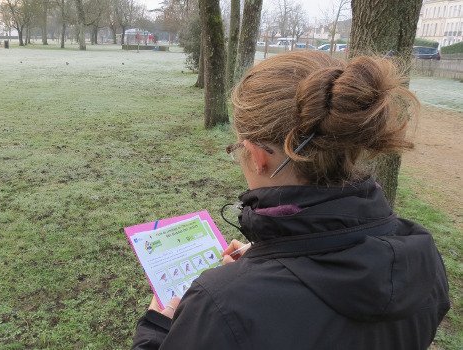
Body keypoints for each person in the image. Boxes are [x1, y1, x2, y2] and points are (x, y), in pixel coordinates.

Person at [131, 51, 450, 349]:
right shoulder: (421, 256)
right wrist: (272, 259)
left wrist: (159, 329)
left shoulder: (220, 307)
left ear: (257, 156)